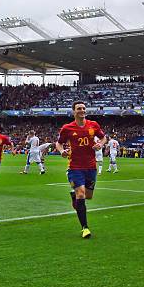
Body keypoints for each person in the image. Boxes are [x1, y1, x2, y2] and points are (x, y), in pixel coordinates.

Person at [55, 101, 107, 238]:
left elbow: (103, 138)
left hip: (90, 166)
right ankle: (85, 228)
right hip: (75, 167)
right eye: (79, 108)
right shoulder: (67, 128)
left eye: (83, 108)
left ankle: (74, 196)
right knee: (81, 194)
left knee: (88, 196)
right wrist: (61, 151)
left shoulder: (93, 125)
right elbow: (59, 143)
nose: (82, 110)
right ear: (74, 111)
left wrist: (100, 144)